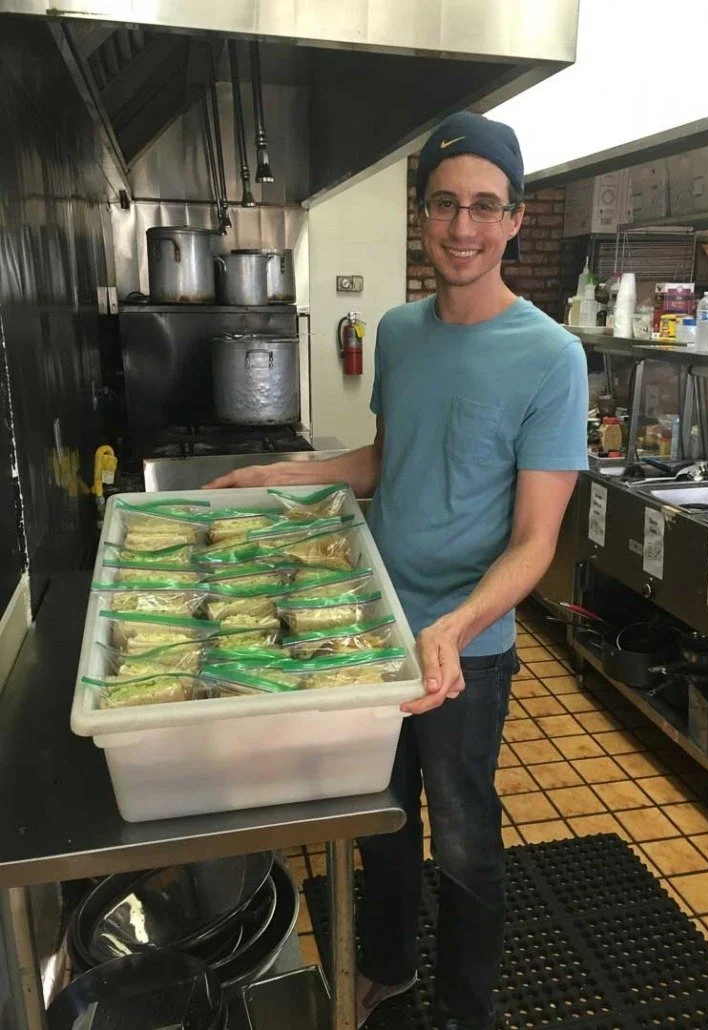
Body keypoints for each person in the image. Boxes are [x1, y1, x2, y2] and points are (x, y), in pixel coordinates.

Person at [205, 111, 589, 1030]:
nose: (463, 227)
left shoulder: (551, 356)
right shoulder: (400, 331)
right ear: (422, 214)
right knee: (382, 822)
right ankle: (385, 968)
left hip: (467, 645)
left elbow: (534, 541)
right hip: (372, 619)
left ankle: (466, 1007)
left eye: (484, 208)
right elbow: (387, 459)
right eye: (445, 205)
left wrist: (455, 628)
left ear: (514, 220)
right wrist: (281, 475)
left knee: (462, 838)